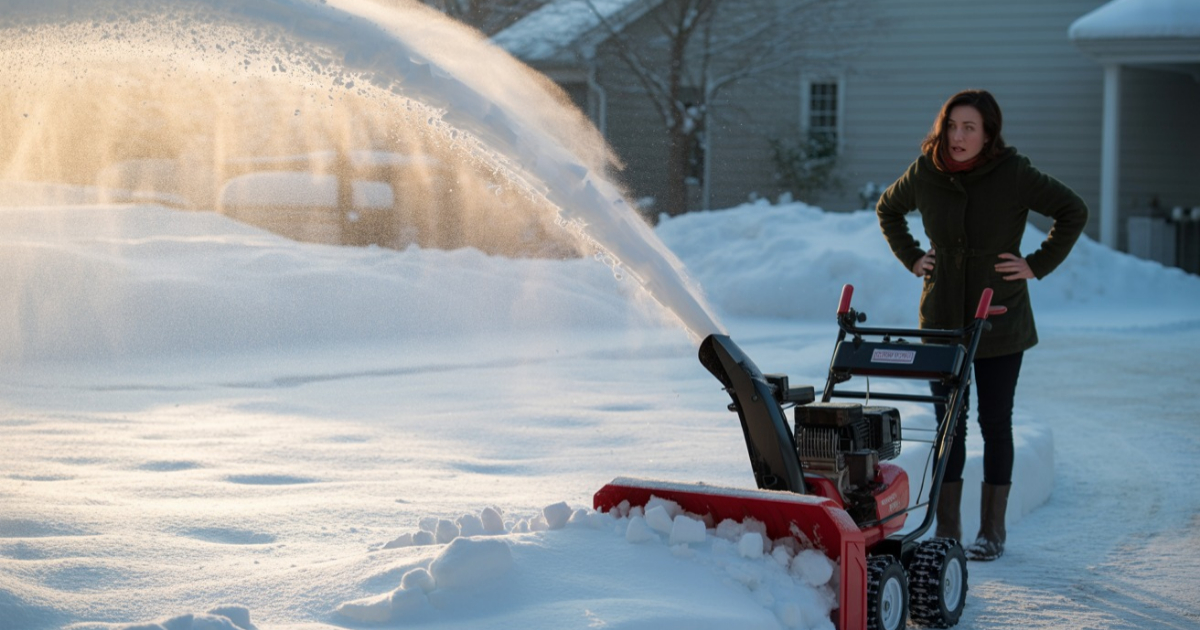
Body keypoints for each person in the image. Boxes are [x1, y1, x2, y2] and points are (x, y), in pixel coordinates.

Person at [875, 89, 1087, 561]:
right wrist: (913, 257)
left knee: (996, 422)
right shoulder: (927, 170)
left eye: (969, 127)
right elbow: (888, 209)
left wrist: (1037, 263)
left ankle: (992, 531)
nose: (958, 136)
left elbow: (1072, 210)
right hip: (943, 319)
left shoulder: (1012, 173)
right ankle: (947, 529)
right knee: (949, 423)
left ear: (988, 133)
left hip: (999, 319)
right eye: (952, 125)